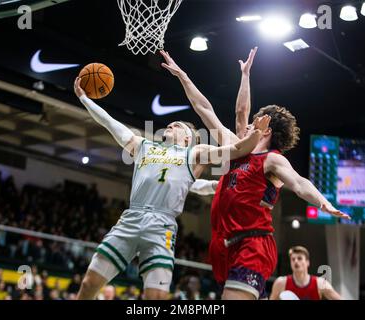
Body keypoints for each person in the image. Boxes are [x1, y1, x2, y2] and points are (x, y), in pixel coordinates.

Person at [161, 48, 350, 300]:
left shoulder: (272, 160)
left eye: (256, 120)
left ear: (266, 129)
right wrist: (184, 76)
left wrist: (323, 202)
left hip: (253, 243)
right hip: (223, 245)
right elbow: (205, 108)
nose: (248, 123)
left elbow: (299, 182)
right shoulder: (236, 148)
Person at [73, 77, 270, 300]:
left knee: (155, 296)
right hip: (131, 218)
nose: (171, 125)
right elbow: (110, 123)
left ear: (187, 138)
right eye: (171, 123)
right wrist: (84, 99)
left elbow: (236, 149)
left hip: (162, 226)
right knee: (89, 283)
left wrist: (255, 135)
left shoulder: (194, 153)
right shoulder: (143, 146)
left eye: (178, 125)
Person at [270, 246, 341, 300]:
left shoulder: (320, 283)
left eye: (299, 258)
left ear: (307, 262)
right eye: (293, 259)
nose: (296, 261)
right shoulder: (280, 283)